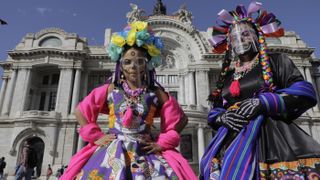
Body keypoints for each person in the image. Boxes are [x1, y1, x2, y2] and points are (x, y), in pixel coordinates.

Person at [61, 21, 197, 180]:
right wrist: (96, 136)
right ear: (121, 66)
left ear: (147, 65)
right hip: (112, 152)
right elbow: (80, 111)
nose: (134, 66)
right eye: (128, 61)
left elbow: (181, 119)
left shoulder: (156, 92)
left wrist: (163, 142)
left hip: (145, 152)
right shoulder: (111, 89)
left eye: (140, 61)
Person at [200, 2, 320, 179]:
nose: (240, 40)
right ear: (229, 44)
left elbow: (304, 91)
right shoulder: (228, 76)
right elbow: (215, 110)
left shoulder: (276, 61)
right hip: (230, 140)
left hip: (271, 139)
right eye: (234, 38)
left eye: (245, 34)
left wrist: (264, 102)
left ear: (257, 37)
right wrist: (222, 117)